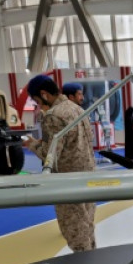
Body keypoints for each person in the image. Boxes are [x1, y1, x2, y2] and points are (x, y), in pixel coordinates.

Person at [24, 74, 96, 252]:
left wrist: (32, 144)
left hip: (68, 182)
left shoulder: (53, 116)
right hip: (88, 177)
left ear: (44, 94)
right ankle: (93, 262)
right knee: (87, 227)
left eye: (37, 101)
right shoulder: (76, 108)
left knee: (76, 233)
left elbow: (50, 156)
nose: (39, 105)